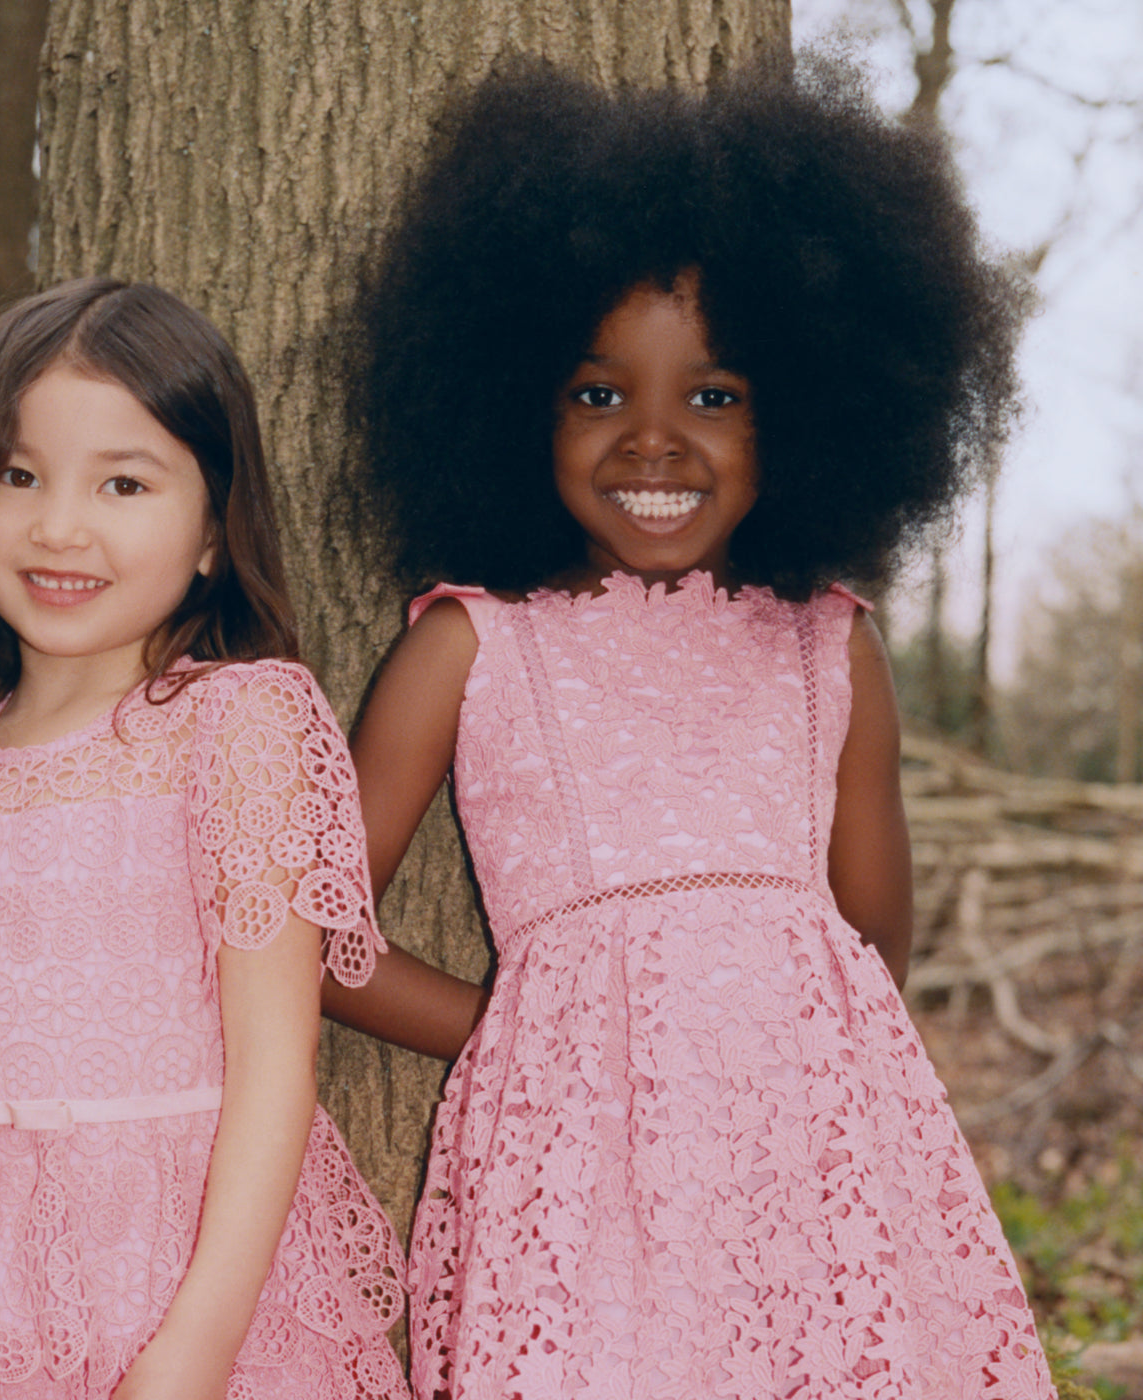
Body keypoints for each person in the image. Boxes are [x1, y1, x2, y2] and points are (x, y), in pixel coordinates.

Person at [324, 57, 1056, 1399]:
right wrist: (517, 1030)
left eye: (713, 396)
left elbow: (872, 940)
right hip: (572, 1175)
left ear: (808, 417)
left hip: (813, 1174)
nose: (652, 440)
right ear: (512, 404)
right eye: (597, 394)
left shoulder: (828, 647)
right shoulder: (474, 645)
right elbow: (319, 934)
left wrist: (790, 1041)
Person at [0, 279, 409, 1400]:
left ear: (213, 531)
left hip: (180, 1289)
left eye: (123, 482)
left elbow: (276, 1068)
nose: (59, 526)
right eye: (16, 474)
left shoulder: (238, 724)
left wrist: (194, 1352)